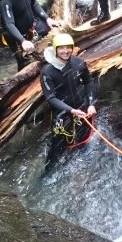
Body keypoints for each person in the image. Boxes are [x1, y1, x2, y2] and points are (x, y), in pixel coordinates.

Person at [40, 33, 98, 169]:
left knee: (84, 138)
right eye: (61, 48)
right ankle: (48, 173)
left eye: (68, 48)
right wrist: (71, 110)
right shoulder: (47, 72)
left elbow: (88, 81)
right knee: (57, 149)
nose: (65, 51)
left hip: (82, 107)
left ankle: (83, 164)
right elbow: (50, 98)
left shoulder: (78, 62)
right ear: (55, 49)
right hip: (61, 113)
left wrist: (91, 104)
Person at [0, 0, 61, 70]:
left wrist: (47, 19)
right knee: (24, 63)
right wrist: (22, 41)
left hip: (31, 27)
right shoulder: (5, 0)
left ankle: (53, 64)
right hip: (16, 36)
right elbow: (9, 24)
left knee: (52, 33)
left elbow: (34, 4)